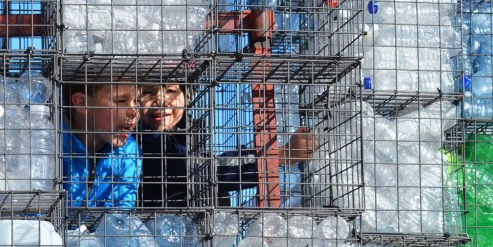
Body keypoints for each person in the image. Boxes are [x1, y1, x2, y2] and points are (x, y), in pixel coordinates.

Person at [138, 83, 318, 208]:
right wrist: (278, 156)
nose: (161, 100)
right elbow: (203, 171)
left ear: (188, 96)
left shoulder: (183, 137)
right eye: (148, 92)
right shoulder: (147, 141)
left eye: (170, 91)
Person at [62, 81, 141, 209]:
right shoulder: (51, 144)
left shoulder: (129, 150)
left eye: (138, 102)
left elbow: (121, 212)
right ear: (82, 103)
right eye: (121, 101)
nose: (134, 112)